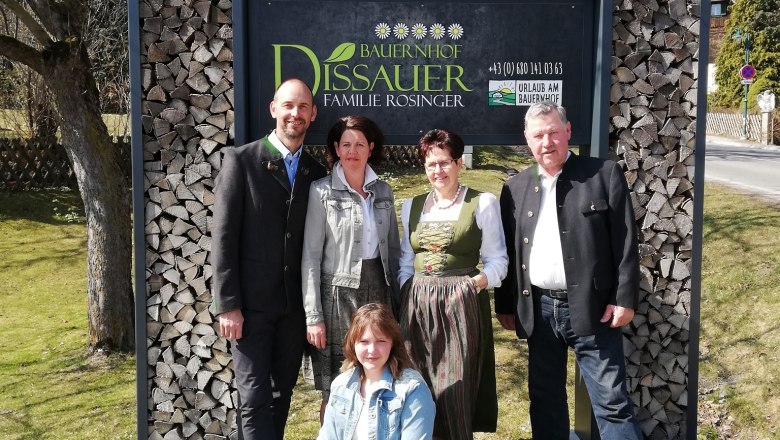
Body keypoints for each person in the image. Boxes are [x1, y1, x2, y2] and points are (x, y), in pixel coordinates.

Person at [494, 101, 642, 439]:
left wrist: (624, 298)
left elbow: (625, 241)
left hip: (595, 309)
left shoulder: (603, 175)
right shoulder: (513, 188)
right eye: (538, 136)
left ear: (568, 132)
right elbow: (508, 250)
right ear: (527, 140)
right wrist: (505, 305)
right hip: (539, 312)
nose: (547, 142)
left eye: (553, 133)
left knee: (612, 404)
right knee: (545, 401)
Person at [210, 78, 327, 440]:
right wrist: (228, 303)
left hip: (293, 309)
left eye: (303, 107)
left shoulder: (316, 172)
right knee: (253, 396)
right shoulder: (241, 161)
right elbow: (223, 236)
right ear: (273, 109)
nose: (295, 113)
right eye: (288, 106)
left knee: (281, 394)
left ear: (312, 114)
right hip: (250, 308)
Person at [398, 129, 508, 440]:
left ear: (459, 163)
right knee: (414, 382)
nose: (438, 171)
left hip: (459, 303)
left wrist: (469, 287)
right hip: (416, 305)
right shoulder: (412, 206)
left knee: (454, 385)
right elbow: (406, 261)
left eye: (444, 163)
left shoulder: (482, 202)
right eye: (431, 164)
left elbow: (498, 261)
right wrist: (409, 290)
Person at [302, 115, 401, 421]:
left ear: (371, 147)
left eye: (360, 144)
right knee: (336, 388)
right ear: (336, 148)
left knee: (377, 380)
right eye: (346, 144)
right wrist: (314, 316)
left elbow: (394, 252)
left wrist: (397, 303)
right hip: (337, 297)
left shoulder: (383, 190)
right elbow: (310, 256)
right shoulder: (321, 192)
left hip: (379, 294)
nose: (353, 151)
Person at [318, 303, 435, 440]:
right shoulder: (341, 385)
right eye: (364, 341)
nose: (372, 350)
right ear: (353, 344)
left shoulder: (413, 389)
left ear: (393, 344)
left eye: (381, 341)